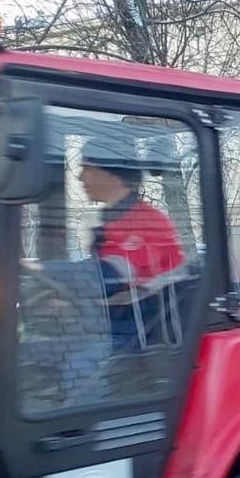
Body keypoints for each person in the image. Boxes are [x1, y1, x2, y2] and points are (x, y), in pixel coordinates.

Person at [79, 137, 185, 348]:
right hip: (116, 326)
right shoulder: (111, 220)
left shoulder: (147, 222)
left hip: (145, 336)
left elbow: (110, 275)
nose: (80, 178)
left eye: (87, 168)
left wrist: (44, 270)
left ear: (111, 172)